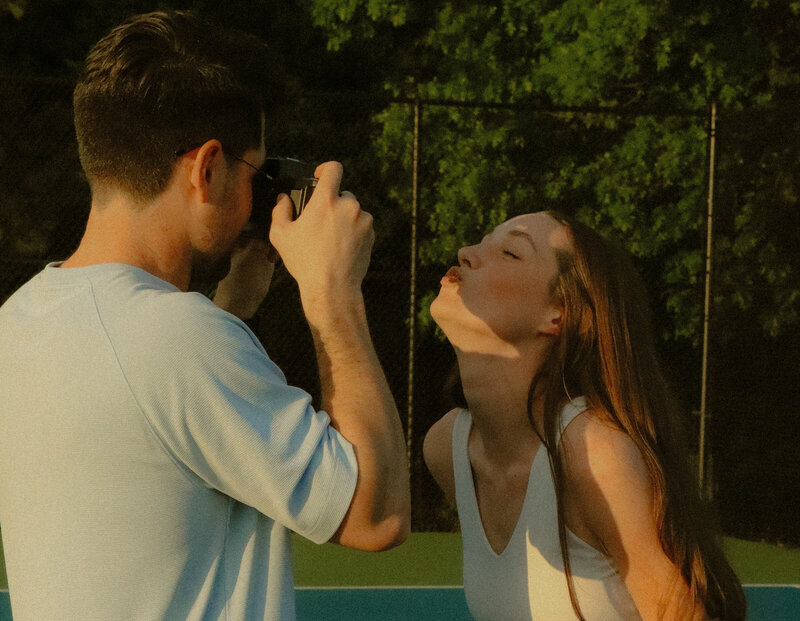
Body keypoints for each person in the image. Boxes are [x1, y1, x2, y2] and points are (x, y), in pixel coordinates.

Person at [0, 10, 409, 621]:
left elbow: (154, 454)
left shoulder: (22, 317)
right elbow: (375, 515)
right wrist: (333, 295)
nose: (257, 196)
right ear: (206, 168)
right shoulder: (177, 338)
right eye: (257, 170)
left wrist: (229, 311)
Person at [423, 211, 746, 620]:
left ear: (557, 316)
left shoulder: (592, 453)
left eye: (509, 252)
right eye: (481, 240)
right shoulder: (447, 448)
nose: (467, 253)